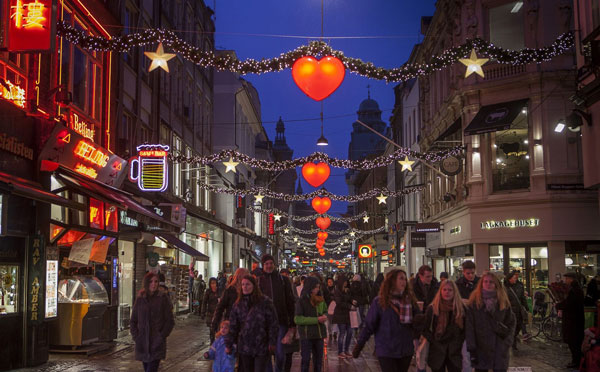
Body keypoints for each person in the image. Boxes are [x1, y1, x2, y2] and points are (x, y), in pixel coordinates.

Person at [352, 269, 420, 372]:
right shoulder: (379, 302)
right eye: (401, 278)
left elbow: (417, 323)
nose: (404, 282)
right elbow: (369, 326)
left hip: (405, 349)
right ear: (392, 281)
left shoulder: (410, 301)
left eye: (405, 279)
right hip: (386, 349)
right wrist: (359, 345)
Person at [225, 275, 279, 372]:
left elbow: (273, 323)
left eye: (248, 284)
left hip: (261, 345)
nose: (245, 287)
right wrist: (229, 344)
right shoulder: (238, 304)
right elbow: (233, 326)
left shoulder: (265, 302)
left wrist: (272, 341)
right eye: (243, 284)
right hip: (245, 346)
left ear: (254, 286)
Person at [465, 272, 515, 372]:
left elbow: (511, 323)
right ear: (481, 283)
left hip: (499, 346)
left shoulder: (503, 301)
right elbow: (469, 326)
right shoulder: (474, 302)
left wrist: (507, 342)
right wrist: (472, 347)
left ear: (496, 284)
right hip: (481, 347)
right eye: (485, 281)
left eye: (491, 282)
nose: (488, 284)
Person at [258, 254, 296, 372]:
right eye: (266, 264)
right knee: (266, 352)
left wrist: (292, 322)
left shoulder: (283, 280)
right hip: (264, 323)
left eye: (270, 263)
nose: (269, 266)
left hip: (281, 321)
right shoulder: (259, 281)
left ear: (274, 265)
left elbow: (290, 301)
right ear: (263, 266)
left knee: (280, 353)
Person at [130, 272, 175, 372]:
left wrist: (161, 336)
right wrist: (137, 337)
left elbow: (170, 321)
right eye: (151, 282)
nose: (153, 284)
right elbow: (133, 320)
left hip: (156, 344)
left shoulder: (163, 298)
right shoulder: (140, 299)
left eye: (156, 281)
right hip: (143, 343)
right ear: (146, 283)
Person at [422, 280, 465, 372]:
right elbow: (425, 329)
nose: (447, 292)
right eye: (444, 290)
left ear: (454, 292)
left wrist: (459, 341)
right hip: (437, 351)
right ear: (440, 291)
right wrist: (433, 339)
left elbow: (465, 330)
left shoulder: (461, 309)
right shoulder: (433, 308)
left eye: (450, 290)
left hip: (454, 351)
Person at [294, 276, 327, 372]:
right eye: (315, 287)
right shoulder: (302, 301)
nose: (317, 289)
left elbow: (324, 310)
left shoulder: (320, 299)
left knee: (318, 361)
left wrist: (324, 315)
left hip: (319, 334)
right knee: (306, 360)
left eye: (318, 287)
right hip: (306, 335)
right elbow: (298, 319)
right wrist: (316, 319)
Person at [556, 272, 585, 369]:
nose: (565, 280)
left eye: (567, 279)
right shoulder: (576, 289)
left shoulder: (574, 290)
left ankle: (576, 362)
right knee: (574, 342)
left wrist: (559, 305)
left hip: (573, 321)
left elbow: (569, 304)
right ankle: (576, 361)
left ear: (571, 279)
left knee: (574, 342)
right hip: (575, 320)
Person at [455, 260, 480, 372]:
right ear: (463, 272)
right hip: (463, 321)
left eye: (472, 273)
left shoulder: (479, 283)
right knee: (465, 354)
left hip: (477, 321)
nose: (470, 276)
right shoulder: (458, 284)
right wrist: (460, 302)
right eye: (468, 273)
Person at [212, 268, 250, 334]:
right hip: (231, 323)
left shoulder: (249, 290)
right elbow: (220, 307)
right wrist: (215, 322)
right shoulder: (230, 290)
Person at [504, 270, 531, 349]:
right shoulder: (505, 287)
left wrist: (526, 307)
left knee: (519, 326)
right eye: (514, 277)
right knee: (513, 327)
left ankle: (513, 338)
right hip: (510, 311)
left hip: (518, 310)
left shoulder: (519, 286)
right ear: (509, 279)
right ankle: (513, 343)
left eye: (516, 277)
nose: (515, 278)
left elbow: (522, 297)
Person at [332, 275, 353, 358]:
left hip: (348, 315)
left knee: (350, 332)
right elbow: (339, 302)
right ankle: (340, 351)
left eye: (346, 282)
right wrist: (349, 305)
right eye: (344, 282)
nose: (345, 284)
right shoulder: (337, 291)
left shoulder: (347, 290)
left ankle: (346, 349)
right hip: (340, 315)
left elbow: (349, 299)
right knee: (342, 333)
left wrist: (352, 300)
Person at [202, 277, 220, 343]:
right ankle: (212, 344)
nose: (213, 285)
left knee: (218, 330)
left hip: (218, 314)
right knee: (212, 330)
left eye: (214, 283)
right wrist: (203, 312)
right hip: (210, 314)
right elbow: (204, 302)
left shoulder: (219, 291)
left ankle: (218, 345)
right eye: (212, 283)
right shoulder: (208, 292)